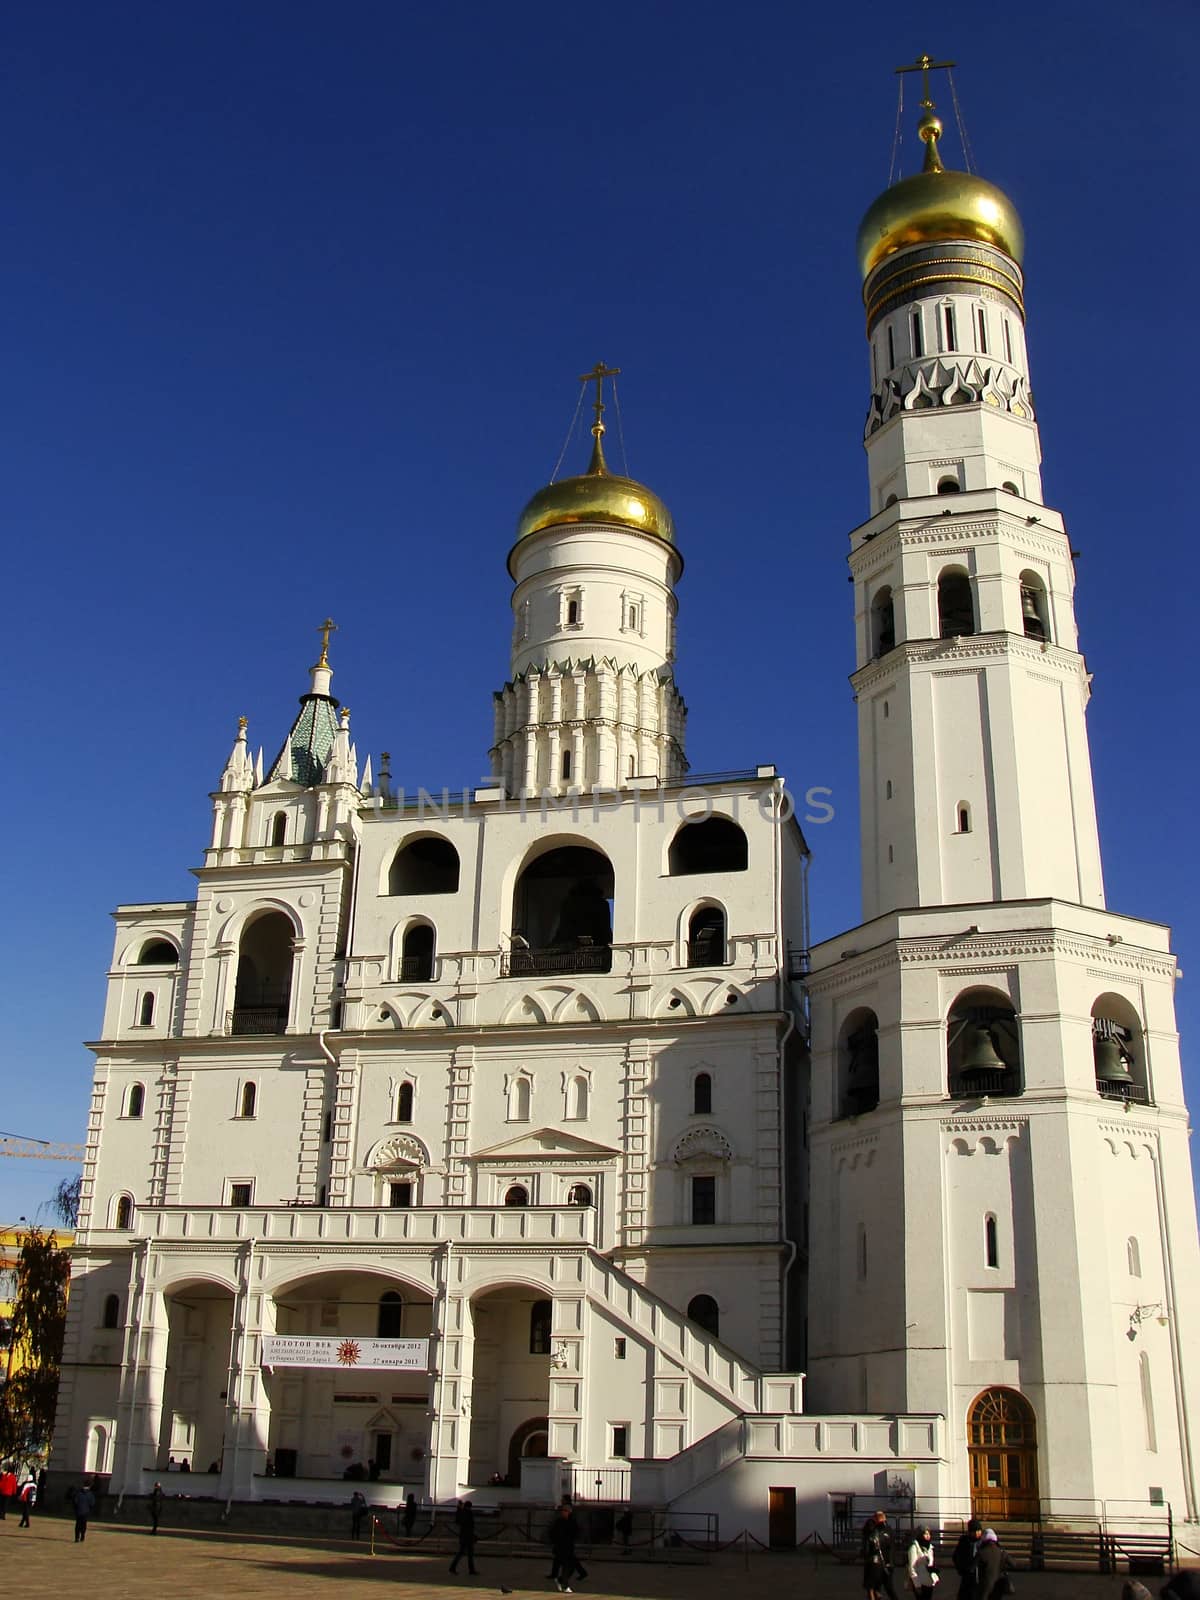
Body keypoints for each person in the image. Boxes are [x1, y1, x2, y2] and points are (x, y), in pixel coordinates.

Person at [549, 1500, 588, 1592]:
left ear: (569, 1512)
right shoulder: (559, 1521)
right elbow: (553, 1533)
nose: (563, 1512)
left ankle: (561, 1580)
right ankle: (564, 1585)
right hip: (560, 1547)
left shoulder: (572, 1522)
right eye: (563, 1511)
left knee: (570, 1567)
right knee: (567, 1566)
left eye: (565, 1511)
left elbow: (576, 1533)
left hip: (568, 1547)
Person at [862, 1510, 897, 1600]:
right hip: (887, 1563)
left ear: (876, 1519)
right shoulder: (890, 1530)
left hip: (875, 1563)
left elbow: (866, 1549)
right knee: (889, 1589)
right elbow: (892, 1548)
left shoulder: (873, 1531)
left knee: (871, 1588)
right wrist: (891, 1562)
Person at [974, 1528, 1011, 1600]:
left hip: (984, 1584)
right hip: (998, 1583)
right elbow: (1014, 1564)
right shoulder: (1001, 1552)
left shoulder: (981, 1552)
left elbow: (971, 1567)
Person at [953, 1521, 984, 1600]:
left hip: (981, 1576)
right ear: (970, 1532)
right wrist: (961, 1569)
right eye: (975, 1531)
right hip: (968, 1576)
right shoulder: (964, 1541)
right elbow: (956, 1556)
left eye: (979, 1531)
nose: (977, 1533)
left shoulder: (984, 1542)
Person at [449, 1498, 478, 1575]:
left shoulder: (461, 1512)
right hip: (468, 1536)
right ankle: (471, 1570)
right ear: (469, 1506)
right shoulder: (469, 1513)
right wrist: (473, 1535)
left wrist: (459, 1508)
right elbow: (470, 1526)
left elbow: (457, 1521)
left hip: (463, 1535)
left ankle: (453, 1567)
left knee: (461, 1553)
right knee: (469, 1554)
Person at [907, 1528, 938, 1599]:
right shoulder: (914, 1548)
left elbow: (931, 1563)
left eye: (929, 1534)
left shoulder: (930, 1547)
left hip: (929, 1581)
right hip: (920, 1582)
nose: (928, 1536)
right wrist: (917, 1584)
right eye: (925, 1534)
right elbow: (912, 1567)